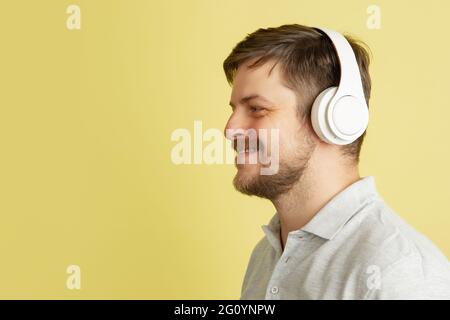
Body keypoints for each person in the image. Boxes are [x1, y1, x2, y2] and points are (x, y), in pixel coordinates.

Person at [222, 24, 450, 299]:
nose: (230, 129)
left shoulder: (400, 272)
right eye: (235, 110)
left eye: (257, 109)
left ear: (333, 119)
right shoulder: (265, 256)